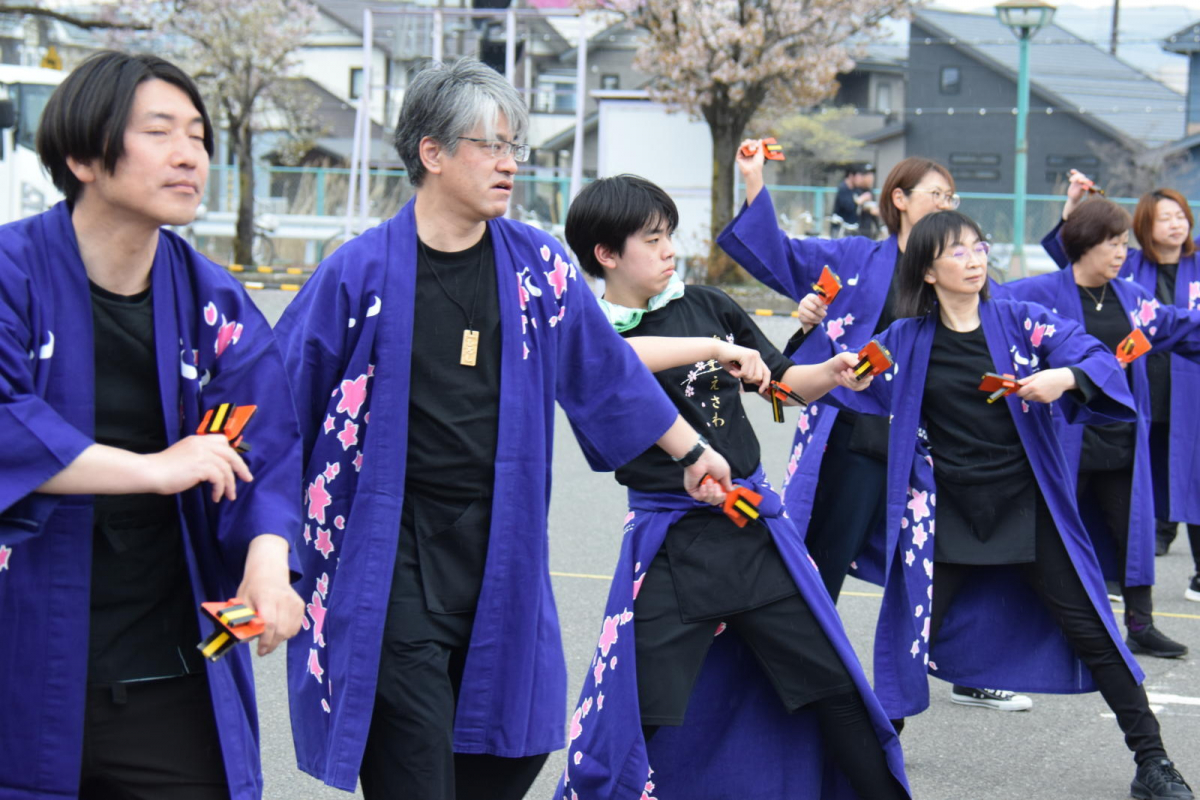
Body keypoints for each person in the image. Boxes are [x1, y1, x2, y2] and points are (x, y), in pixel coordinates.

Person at [274, 59, 732, 800]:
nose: (510, 162)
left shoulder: (537, 267)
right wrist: (268, 547)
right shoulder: (358, 274)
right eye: (489, 145)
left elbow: (605, 371)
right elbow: (278, 406)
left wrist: (693, 452)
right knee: (414, 759)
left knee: (508, 748)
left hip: (497, 547)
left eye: (513, 145)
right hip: (387, 551)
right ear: (431, 152)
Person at [799, 209, 1193, 800]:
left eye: (978, 246)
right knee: (909, 640)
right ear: (927, 271)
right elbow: (817, 380)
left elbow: (1095, 356)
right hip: (948, 515)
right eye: (957, 251)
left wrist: (1063, 379)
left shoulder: (1022, 321)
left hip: (1028, 508)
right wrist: (817, 346)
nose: (974, 259)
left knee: (1093, 630)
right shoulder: (903, 340)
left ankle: (1153, 761)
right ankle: (867, 767)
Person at [0, 51, 305, 800]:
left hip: (168, 669)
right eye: (160, 131)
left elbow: (258, 450)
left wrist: (268, 563)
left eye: (198, 136)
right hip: (21, 663)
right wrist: (153, 468)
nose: (189, 155)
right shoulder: (11, 274)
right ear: (83, 157)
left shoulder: (213, 303)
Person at [557, 174, 910, 799]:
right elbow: (608, 364)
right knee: (635, 715)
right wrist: (712, 348)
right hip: (671, 546)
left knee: (836, 690)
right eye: (652, 239)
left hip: (753, 535)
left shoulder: (708, 304)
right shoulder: (590, 331)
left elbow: (780, 386)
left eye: (669, 235)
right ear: (606, 254)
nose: (670, 249)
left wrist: (829, 374)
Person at [718, 146, 1030, 711]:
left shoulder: (962, 268)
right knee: (824, 557)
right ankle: (792, 683)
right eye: (936, 194)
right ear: (899, 199)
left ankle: (969, 668)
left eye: (952, 196)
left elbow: (1010, 322)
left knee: (952, 559)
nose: (946, 204)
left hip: (938, 441)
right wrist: (754, 179)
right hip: (860, 434)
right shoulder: (856, 258)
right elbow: (779, 253)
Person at [1003, 198, 1200, 659]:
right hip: (1063, 440)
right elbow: (987, 312)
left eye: (1124, 244)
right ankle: (1039, 631)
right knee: (1052, 536)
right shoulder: (1040, 292)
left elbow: (1179, 326)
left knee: (1133, 534)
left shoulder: (1132, 298)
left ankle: (1141, 625)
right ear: (1084, 244)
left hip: (1120, 440)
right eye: (1112, 244)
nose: (1121, 253)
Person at [1044, 172, 1200, 602]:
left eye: (1181, 216)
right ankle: (1087, 596)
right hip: (1097, 415)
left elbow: (1181, 326)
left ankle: (1145, 614)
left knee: (1170, 491)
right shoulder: (1119, 270)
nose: (1176, 224)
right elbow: (1069, 267)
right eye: (1165, 217)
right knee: (1076, 513)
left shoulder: (1142, 291)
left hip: (1165, 406)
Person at [830, 163, 875, 237]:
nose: (861, 179)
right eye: (859, 176)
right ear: (851, 176)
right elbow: (848, 207)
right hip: (840, 229)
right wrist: (860, 200)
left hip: (851, 229)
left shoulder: (856, 190)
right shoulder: (843, 188)